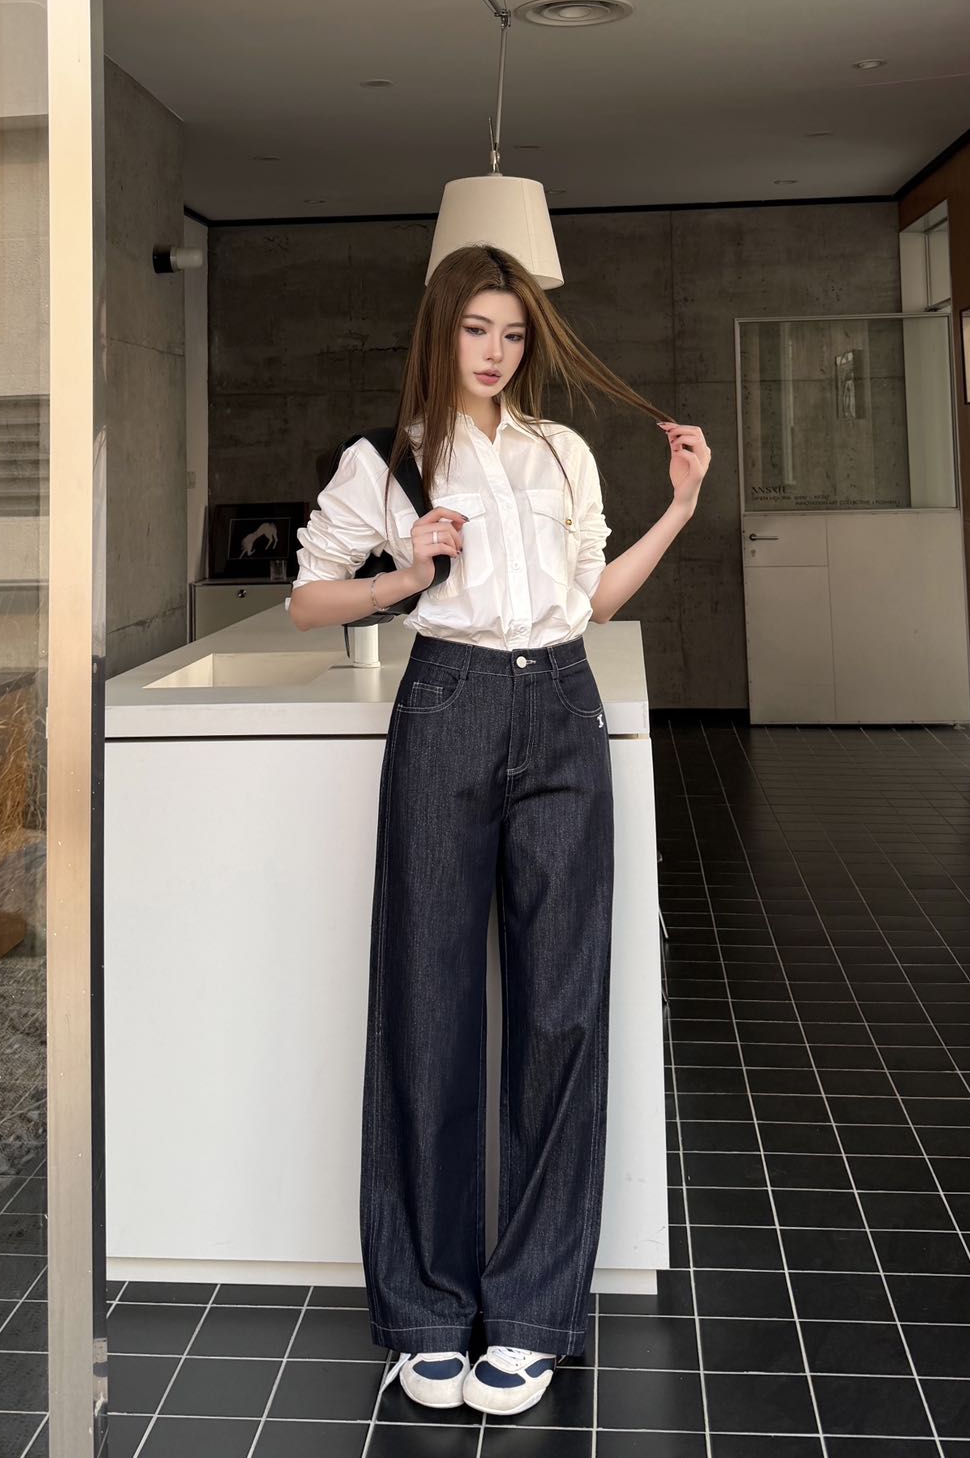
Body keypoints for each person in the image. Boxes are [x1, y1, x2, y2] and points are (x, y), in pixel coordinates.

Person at [289, 243, 709, 1418]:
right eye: (476, 328)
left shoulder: (560, 450)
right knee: (427, 1003)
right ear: (441, 330)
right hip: (446, 703)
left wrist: (679, 505)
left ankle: (528, 1313)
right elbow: (309, 595)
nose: (495, 350)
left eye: (513, 332)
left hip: (561, 704)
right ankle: (425, 1311)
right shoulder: (387, 458)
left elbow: (593, 598)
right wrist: (402, 573)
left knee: (559, 1006)